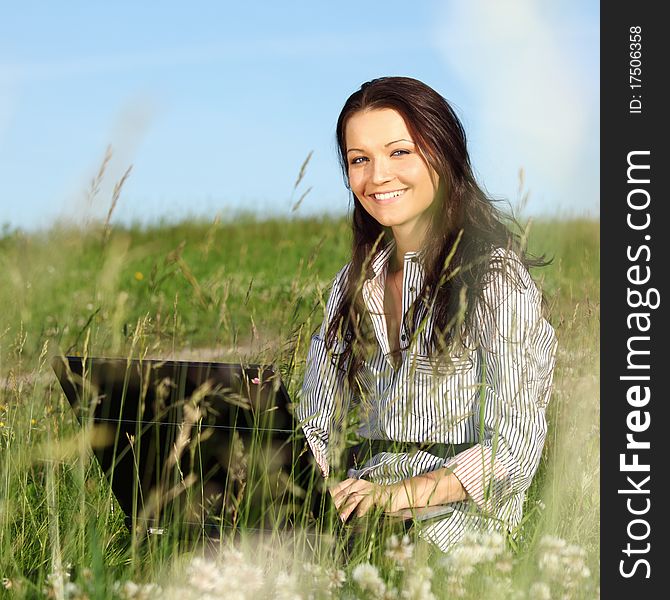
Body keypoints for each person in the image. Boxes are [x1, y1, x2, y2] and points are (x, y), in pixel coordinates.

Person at [296, 76, 557, 552]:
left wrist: (396, 498)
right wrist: (296, 491)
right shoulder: (351, 284)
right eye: (360, 160)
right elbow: (316, 422)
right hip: (357, 517)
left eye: (400, 152)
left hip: (455, 530)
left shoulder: (493, 278)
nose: (377, 177)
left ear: (442, 152)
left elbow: (513, 449)